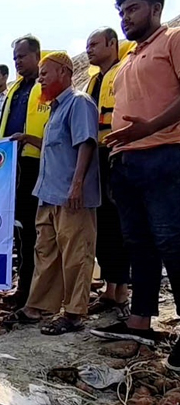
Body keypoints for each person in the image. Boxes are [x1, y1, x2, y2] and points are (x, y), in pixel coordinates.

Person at [91, 0, 180, 365]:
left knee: (172, 242)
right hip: (126, 163)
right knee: (138, 244)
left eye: (133, 9)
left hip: (165, 154)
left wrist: (152, 127)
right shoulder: (128, 60)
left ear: (156, 7)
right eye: (122, 12)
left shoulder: (173, 40)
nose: (126, 18)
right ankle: (139, 321)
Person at [4, 51, 100, 335]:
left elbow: (86, 144)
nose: (41, 79)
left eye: (46, 73)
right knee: (45, 251)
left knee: (76, 254)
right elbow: (53, 144)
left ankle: (73, 314)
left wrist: (78, 184)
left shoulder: (79, 103)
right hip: (47, 193)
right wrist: (27, 138)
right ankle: (39, 307)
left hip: (72, 194)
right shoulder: (56, 109)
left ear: (65, 73)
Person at [0, 35, 52, 310]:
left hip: (37, 164)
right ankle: (23, 288)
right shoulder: (16, 89)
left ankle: (33, 293)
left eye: (22, 56)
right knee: (18, 230)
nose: (17, 61)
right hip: (11, 167)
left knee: (34, 231)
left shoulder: (46, 85)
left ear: (36, 55)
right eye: (15, 57)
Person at [84, 27, 134, 320]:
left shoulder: (125, 70)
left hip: (120, 152)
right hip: (96, 157)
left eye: (94, 44)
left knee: (120, 222)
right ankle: (109, 287)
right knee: (102, 222)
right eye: (87, 45)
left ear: (112, 44)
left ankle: (123, 289)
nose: (89, 49)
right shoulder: (93, 81)